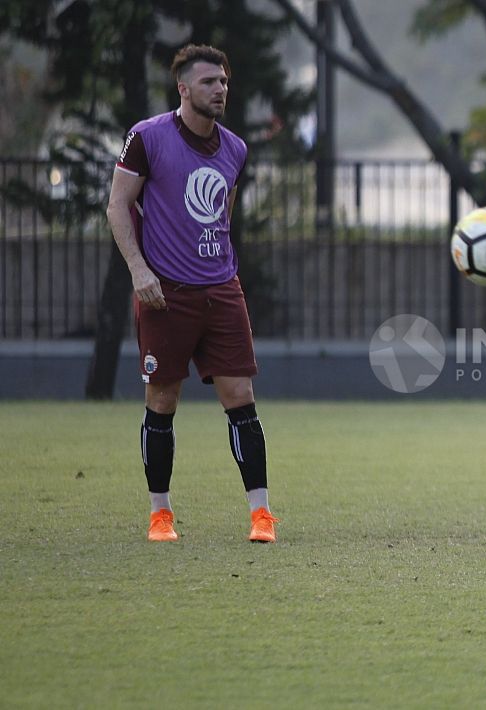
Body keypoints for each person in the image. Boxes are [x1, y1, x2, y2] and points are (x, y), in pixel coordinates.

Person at [106, 44, 279, 543]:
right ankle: (161, 515)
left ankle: (261, 515)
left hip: (221, 288)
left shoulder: (236, 149)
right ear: (183, 89)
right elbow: (118, 207)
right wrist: (140, 271)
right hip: (165, 293)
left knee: (241, 396)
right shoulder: (147, 137)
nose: (220, 89)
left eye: (223, 81)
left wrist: (220, 267)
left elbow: (224, 213)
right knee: (162, 399)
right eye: (208, 82)